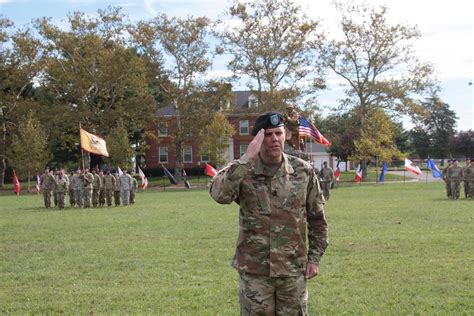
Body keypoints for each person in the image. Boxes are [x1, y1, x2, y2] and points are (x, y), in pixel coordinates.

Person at [209, 112, 328, 315]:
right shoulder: (244, 170)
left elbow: (317, 219)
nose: (274, 139)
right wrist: (247, 158)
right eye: (268, 134)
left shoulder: (303, 171)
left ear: (286, 135)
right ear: (257, 138)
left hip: (292, 270)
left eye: (278, 133)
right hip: (255, 272)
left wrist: (314, 258)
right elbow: (219, 194)